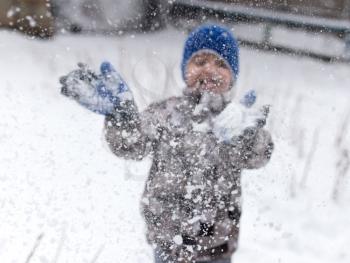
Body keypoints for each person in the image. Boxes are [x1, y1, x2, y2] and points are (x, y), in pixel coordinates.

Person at [60, 24, 274, 263]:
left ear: (232, 76)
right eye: (200, 62)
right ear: (185, 70)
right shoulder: (166, 112)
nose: (209, 69)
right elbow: (131, 144)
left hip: (217, 245)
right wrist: (122, 118)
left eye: (221, 64)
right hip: (169, 240)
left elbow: (259, 156)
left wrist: (247, 136)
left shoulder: (238, 121)